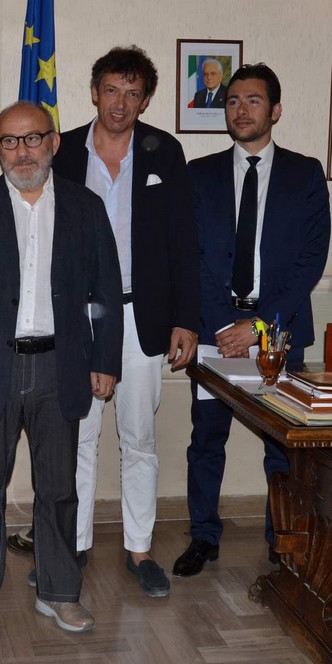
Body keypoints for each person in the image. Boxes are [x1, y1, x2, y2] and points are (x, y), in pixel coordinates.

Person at [0, 101, 123, 634]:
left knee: (60, 489)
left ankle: (60, 591)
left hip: (62, 366)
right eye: (9, 141)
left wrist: (106, 359)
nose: (22, 151)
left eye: (33, 139)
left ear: (54, 143)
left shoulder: (85, 208)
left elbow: (105, 291)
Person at [49, 45, 200, 598]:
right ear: (94, 91)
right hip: (80, 318)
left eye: (133, 93)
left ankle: (139, 550)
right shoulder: (61, 152)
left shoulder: (164, 152)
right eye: (111, 89)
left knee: (138, 438)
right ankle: (77, 546)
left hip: (143, 318)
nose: (120, 103)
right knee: (78, 438)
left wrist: (186, 319)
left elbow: (185, 242)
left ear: (145, 99)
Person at [174, 63, 330, 577]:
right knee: (206, 440)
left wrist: (259, 326)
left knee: (283, 447)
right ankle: (203, 536)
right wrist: (223, 327)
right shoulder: (199, 173)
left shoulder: (306, 175)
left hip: (279, 334)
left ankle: (281, 540)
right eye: (234, 101)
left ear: (275, 110)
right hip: (215, 330)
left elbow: (311, 260)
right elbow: (191, 255)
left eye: (254, 101)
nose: (241, 109)